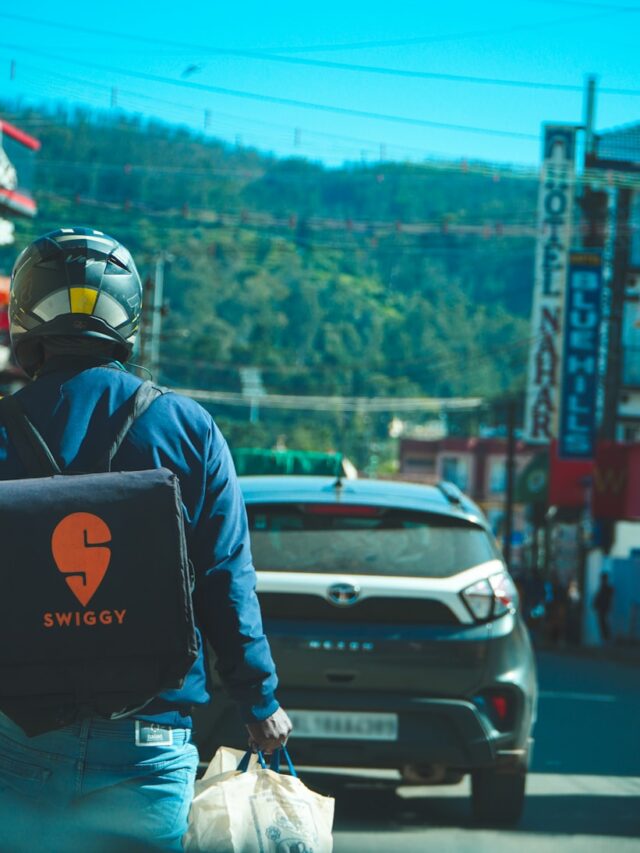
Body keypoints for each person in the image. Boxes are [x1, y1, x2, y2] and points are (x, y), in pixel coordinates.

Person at [0, 227, 292, 852]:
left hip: (13, 744)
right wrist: (259, 699)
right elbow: (224, 578)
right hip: (149, 754)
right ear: (127, 318)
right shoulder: (187, 428)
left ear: (26, 316)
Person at [593, 571, 614, 645]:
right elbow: (597, 598)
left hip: (605, 609)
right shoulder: (602, 588)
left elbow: (607, 599)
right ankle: (604, 639)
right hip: (601, 609)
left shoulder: (608, 589)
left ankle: (607, 639)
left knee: (604, 624)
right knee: (602, 624)